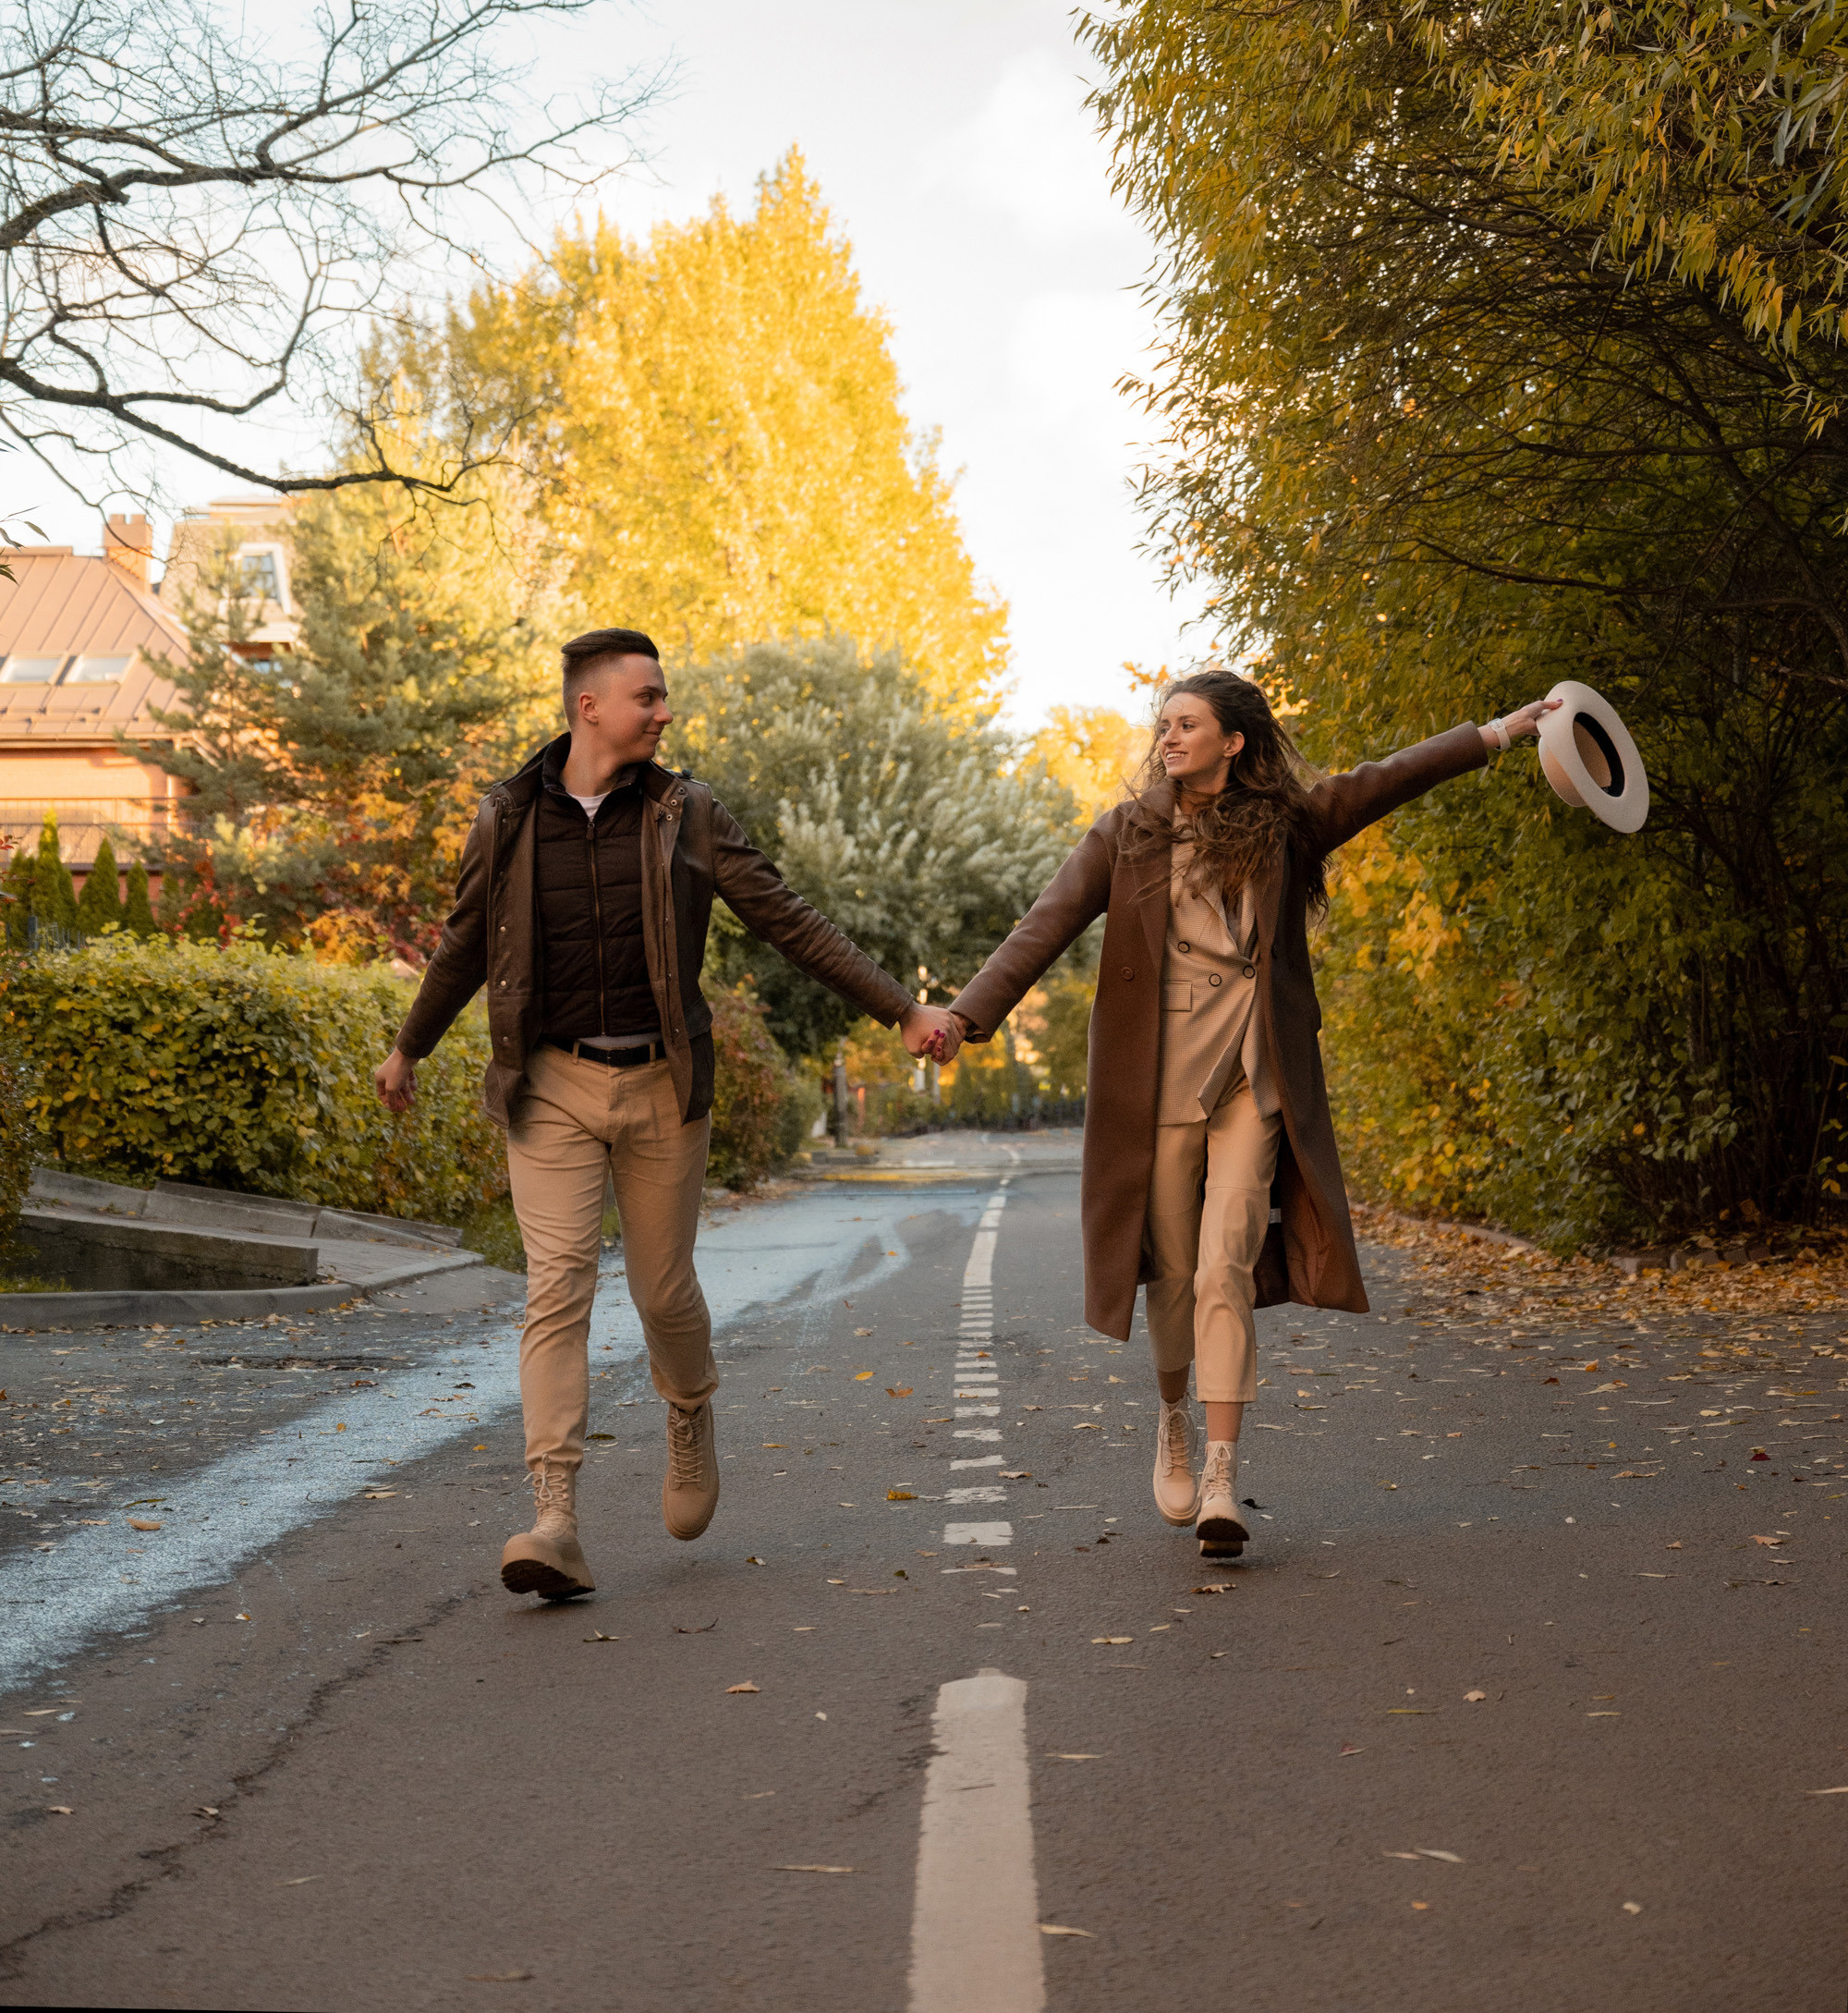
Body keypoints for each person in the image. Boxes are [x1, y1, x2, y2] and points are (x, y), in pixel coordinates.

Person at [374, 628, 946, 1603]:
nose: (664, 710)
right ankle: (554, 1517)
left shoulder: (688, 814)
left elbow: (788, 916)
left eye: (663, 694)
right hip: (549, 1083)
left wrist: (902, 1007)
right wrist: (409, 1044)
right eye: (648, 695)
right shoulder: (506, 815)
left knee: (661, 1291)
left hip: (659, 1086)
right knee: (554, 1286)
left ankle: (688, 1409)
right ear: (588, 706)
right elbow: (467, 937)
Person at [931, 672, 1559, 1558]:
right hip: (1157, 1086)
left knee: (1227, 1263)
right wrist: (964, 1016)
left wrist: (1498, 732)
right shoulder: (1128, 835)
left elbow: (1383, 780)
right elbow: (1046, 924)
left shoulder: (1284, 827)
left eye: (1186, 724)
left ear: (1232, 741)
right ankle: (1173, 1415)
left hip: (1254, 1081)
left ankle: (1223, 1474)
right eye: (1164, 725)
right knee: (1176, 1275)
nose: (1167, 737)